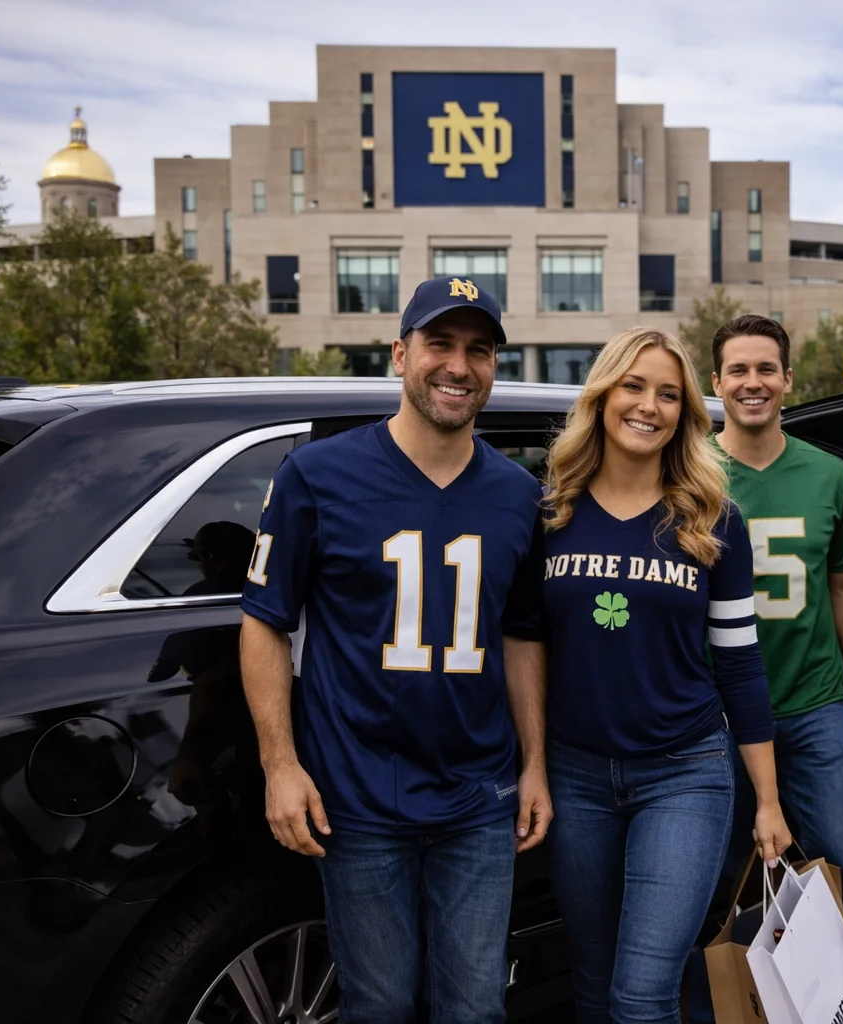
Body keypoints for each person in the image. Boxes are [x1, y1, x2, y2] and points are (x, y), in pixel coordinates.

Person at [240, 277, 551, 1024]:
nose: (458, 366)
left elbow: (520, 633)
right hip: (356, 794)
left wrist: (534, 762)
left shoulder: (517, 494)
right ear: (400, 354)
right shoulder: (317, 476)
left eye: (479, 351)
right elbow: (263, 621)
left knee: (475, 1008)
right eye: (439, 344)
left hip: (479, 800)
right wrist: (280, 766)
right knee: (377, 1005)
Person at [537, 327, 790, 1024]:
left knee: (641, 996)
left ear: (685, 412)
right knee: (590, 981)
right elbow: (522, 649)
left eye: (669, 394)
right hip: (575, 775)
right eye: (634, 386)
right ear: (603, 396)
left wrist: (766, 800)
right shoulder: (551, 512)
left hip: (686, 772)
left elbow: (740, 663)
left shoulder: (714, 520)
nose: (649, 405)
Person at [707, 313, 843, 944]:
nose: (753, 382)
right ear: (718, 382)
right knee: (723, 875)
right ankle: (731, 1004)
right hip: (715, 709)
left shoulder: (829, 475)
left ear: (787, 379)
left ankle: (830, 1001)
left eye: (766, 369)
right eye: (739, 370)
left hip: (813, 699)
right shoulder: (686, 473)